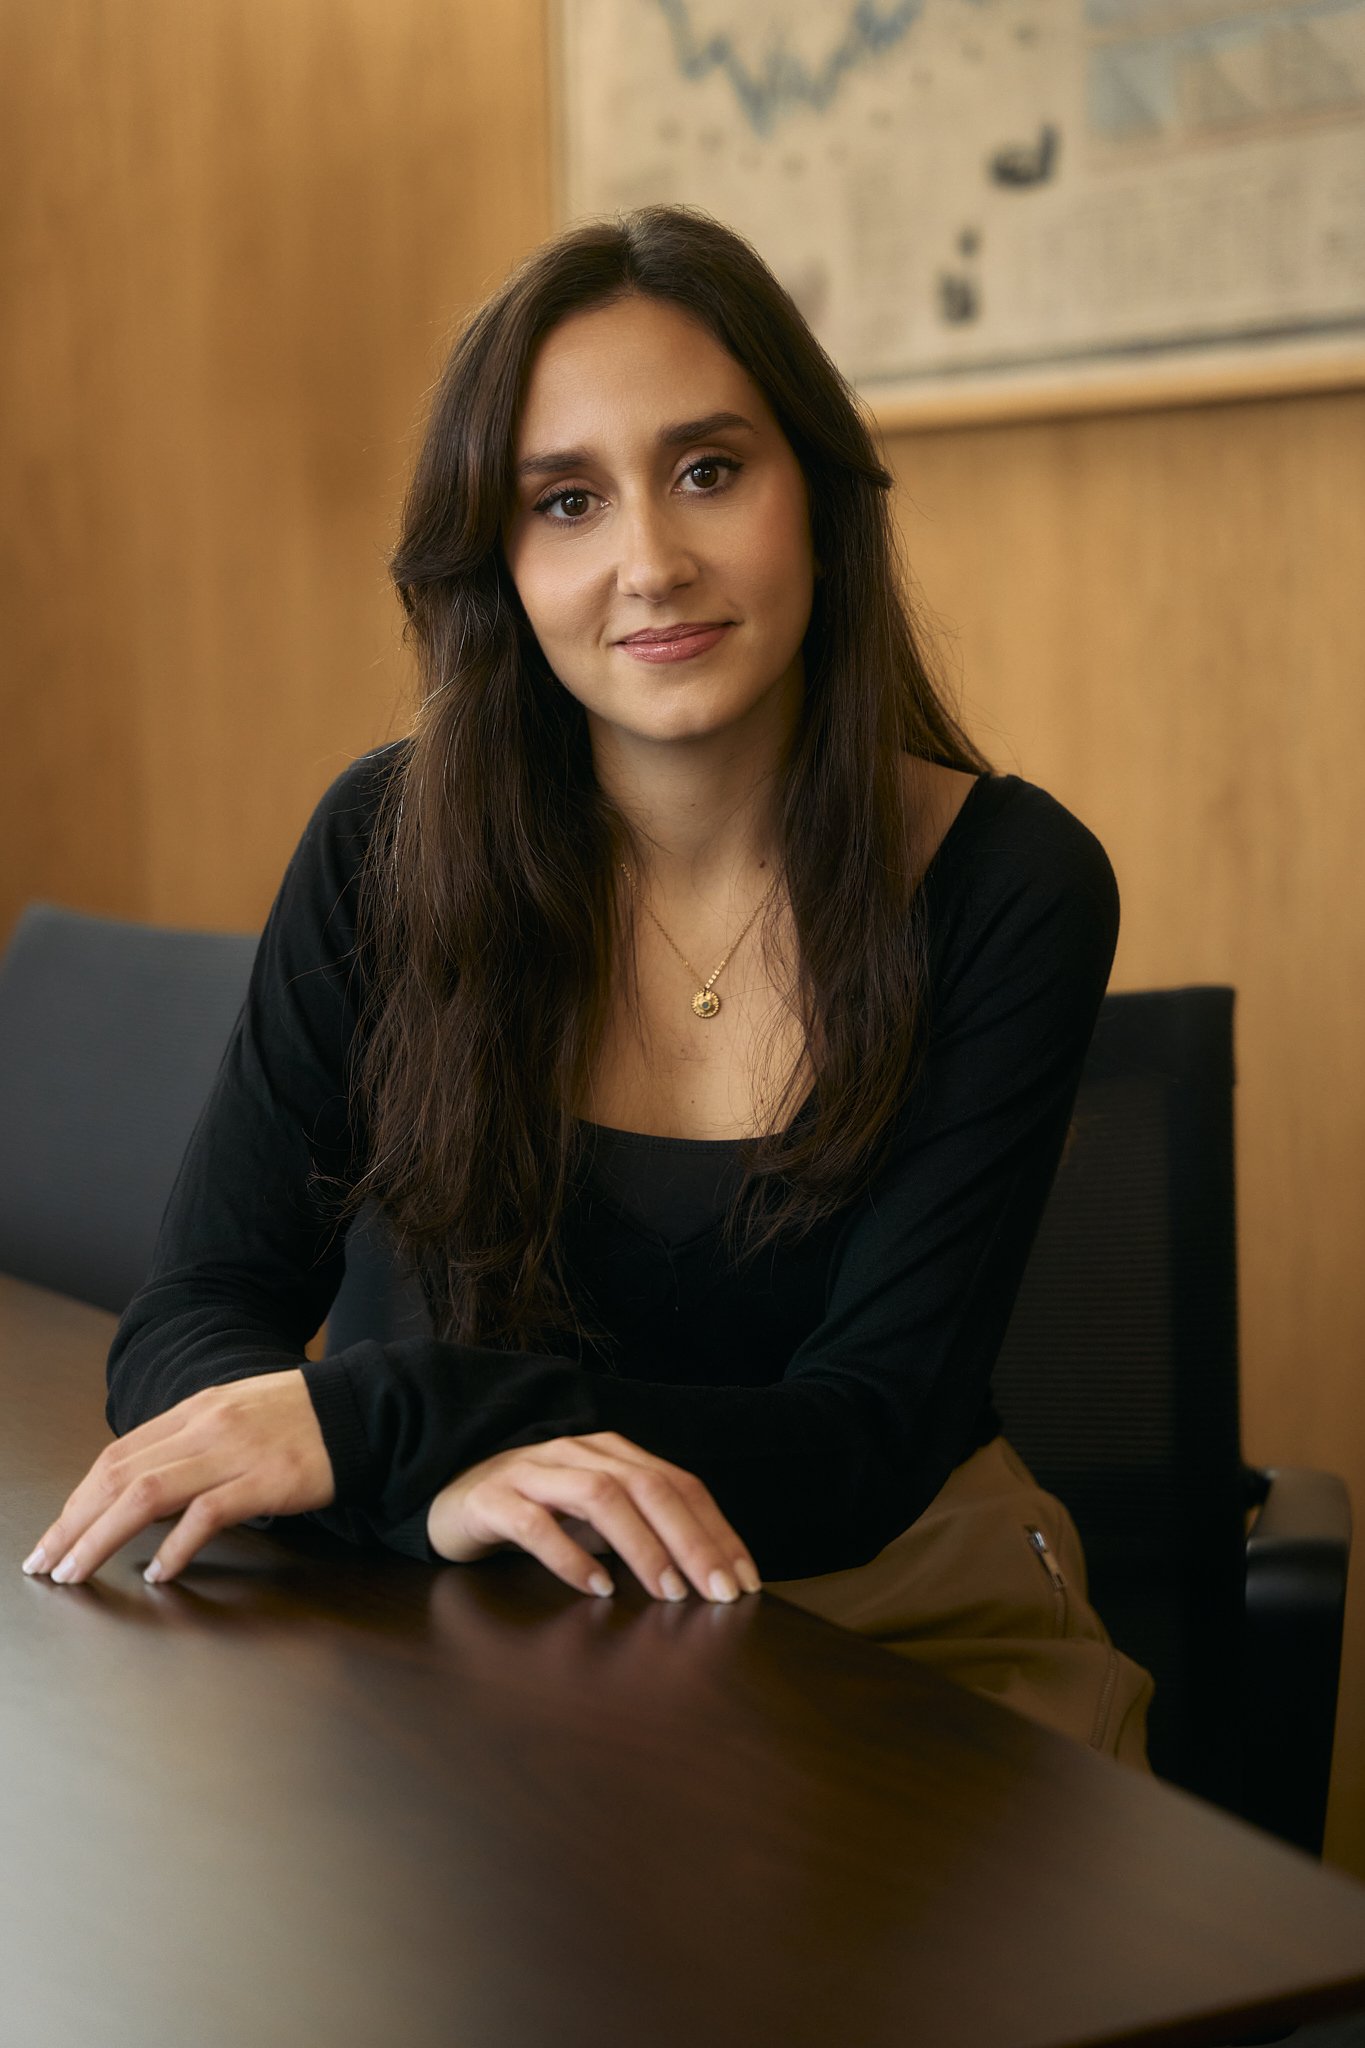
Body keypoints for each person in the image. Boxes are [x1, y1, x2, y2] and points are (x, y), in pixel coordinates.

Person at [22, 204, 1150, 1763]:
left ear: (817, 498)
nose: (651, 564)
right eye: (565, 501)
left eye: (708, 471)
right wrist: (439, 1487)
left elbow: (864, 1442)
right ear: (497, 563)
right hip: (503, 1630)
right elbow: (195, 1319)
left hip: (895, 1628)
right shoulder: (382, 846)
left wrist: (397, 1424)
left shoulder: (1009, 882)